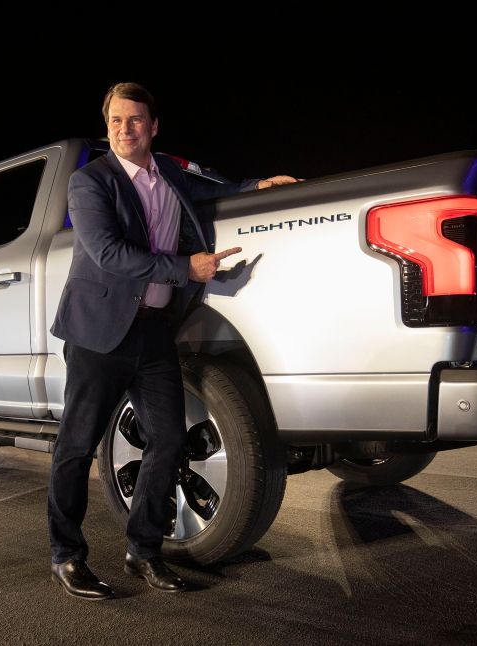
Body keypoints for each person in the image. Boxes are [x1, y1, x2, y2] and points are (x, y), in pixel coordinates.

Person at [47, 82, 298, 600]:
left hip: (155, 332)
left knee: (167, 439)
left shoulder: (171, 177)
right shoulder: (90, 182)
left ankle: (143, 552)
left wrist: (256, 188)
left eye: (135, 120)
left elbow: (212, 191)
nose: (124, 130)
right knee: (76, 446)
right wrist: (187, 267)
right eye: (116, 121)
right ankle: (67, 556)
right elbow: (109, 253)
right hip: (99, 334)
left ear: (153, 126)